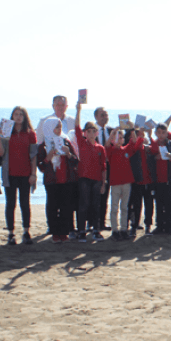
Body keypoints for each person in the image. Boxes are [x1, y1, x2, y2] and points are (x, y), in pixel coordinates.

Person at [0, 106, 38, 245]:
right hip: (10, 173)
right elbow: (1, 153)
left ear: (25, 117)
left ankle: (26, 232)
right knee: (10, 204)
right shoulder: (7, 132)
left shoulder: (30, 134)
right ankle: (11, 233)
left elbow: (33, 156)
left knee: (25, 204)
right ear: (12, 116)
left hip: (25, 174)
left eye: (21, 114)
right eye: (16, 114)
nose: (18, 117)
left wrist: (33, 174)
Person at [36, 118, 78, 243]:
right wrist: (47, 158)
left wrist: (68, 154)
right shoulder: (43, 145)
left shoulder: (66, 141)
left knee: (66, 207)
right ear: (49, 128)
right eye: (56, 127)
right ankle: (55, 233)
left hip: (66, 179)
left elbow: (75, 161)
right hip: (52, 180)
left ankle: (64, 232)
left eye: (60, 127)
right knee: (52, 207)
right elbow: (41, 167)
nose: (59, 130)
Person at [74, 101, 108, 242]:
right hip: (84, 179)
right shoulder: (82, 143)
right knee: (83, 205)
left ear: (97, 132)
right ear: (85, 133)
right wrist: (78, 110)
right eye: (88, 131)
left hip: (97, 180)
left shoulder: (101, 148)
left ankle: (96, 230)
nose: (91, 133)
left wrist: (103, 184)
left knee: (96, 206)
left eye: (93, 131)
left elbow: (103, 167)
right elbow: (76, 127)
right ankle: (81, 231)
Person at [106, 128, 142, 240]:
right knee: (114, 207)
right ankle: (115, 230)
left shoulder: (126, 149)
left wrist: (132, 130)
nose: (119, 140)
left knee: (125, 207)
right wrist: (113, 133)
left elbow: (134, 141)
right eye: (117, 138)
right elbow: (106, 145)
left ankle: (123, 229)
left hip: (126, 182)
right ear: (113, 140)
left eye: (121, 138)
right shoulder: (111, 150)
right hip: (115, 183)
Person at [149, 123, 171, 235]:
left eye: (163, 132)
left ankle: (170, 226)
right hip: (157, 179)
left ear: (167, 133)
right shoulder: (154, 144)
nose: (161, 135)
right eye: (159, 133)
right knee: (159, 204)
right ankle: (159, 226)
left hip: (170, 178)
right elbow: (150, 156)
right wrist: (155, 157)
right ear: (156, 133)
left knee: (170, 203)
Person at [127, 128, 154, 238]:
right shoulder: (133, 148)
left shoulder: (147, 148)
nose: (140, 137)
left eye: (141, 135)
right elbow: (135, 146)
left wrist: (150, 135)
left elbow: (155, 149)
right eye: (138, 135)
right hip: (137, 182)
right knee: (136, 206)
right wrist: (140, 137)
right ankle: (134, 226)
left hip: (148, 181)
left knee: (149, 205)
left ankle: (148, 226)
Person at [93, 107, 113, 233]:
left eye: (106, 114)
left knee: (104, 195)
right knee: (94, 196)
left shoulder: (111, 130)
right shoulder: (91, 130)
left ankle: (102, 223)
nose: (105, 117)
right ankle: (93, 223)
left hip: (108, 167)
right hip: (95, 167)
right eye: (102, 115)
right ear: (96, 117)